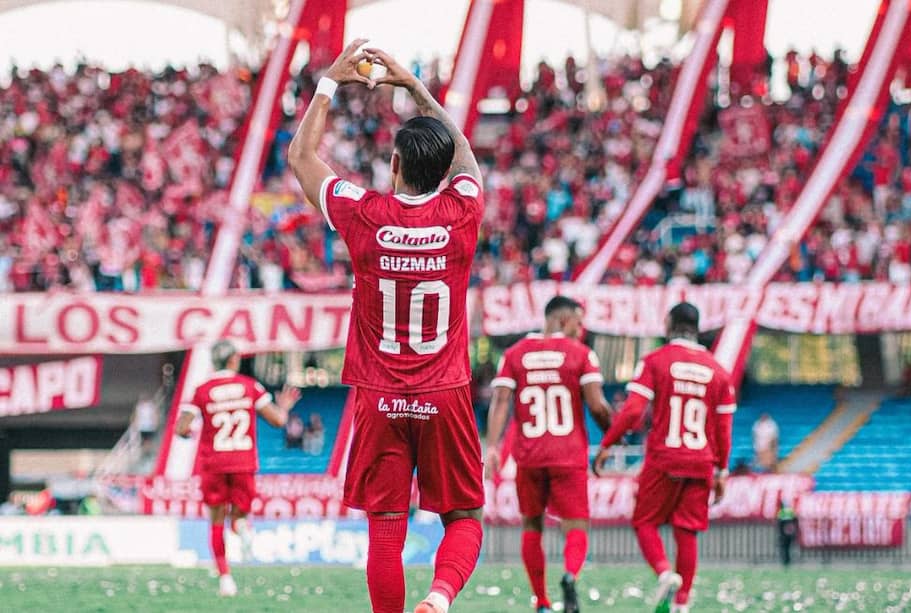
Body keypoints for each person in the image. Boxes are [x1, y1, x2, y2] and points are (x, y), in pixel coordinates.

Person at [288, 40, 485, 613]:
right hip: (443, 395)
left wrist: (329, 81)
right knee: (465, 518)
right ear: (443, 171)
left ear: (394, 166)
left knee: (385, 532)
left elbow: (303, 157)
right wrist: (413, 88)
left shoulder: (364, 214)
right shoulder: (463, 213)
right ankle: (440, 598)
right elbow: (466, 153)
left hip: (379, 399)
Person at [593, 303, 736, 613]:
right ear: (697, 328)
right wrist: (722, 471)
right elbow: (724, 430)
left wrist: (607, 444)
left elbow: (632, 411)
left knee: (645, 521)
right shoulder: (719, 372)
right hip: (701, 461)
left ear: (669, 324)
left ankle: (664, 573)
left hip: (664, 458)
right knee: (687, 531)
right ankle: (681, 604)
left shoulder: (656, 361)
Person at [484, 295, 612, 613]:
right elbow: (597, 405)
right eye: (579, 323)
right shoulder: (581, 354)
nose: (581, 330)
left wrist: (493, 447)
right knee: (576, 527)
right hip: (568, 454)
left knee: (531, 526)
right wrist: (614, 436)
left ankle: (541, 601)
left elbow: (501, 401)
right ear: (564, 320)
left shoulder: (514, 355)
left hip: (528, 455)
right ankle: (569, 575)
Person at [175, 340, 300, 597]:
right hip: (243, 462)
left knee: (216, 521)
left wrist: (189, 432)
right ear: (233, 359)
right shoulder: (249, 386)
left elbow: (181, 428)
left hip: (214, 463)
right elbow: (278, 420)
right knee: (239, 513)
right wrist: (285, 406)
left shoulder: (202, 390)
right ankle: (241, 524)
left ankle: (225, 579)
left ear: (214, 361)